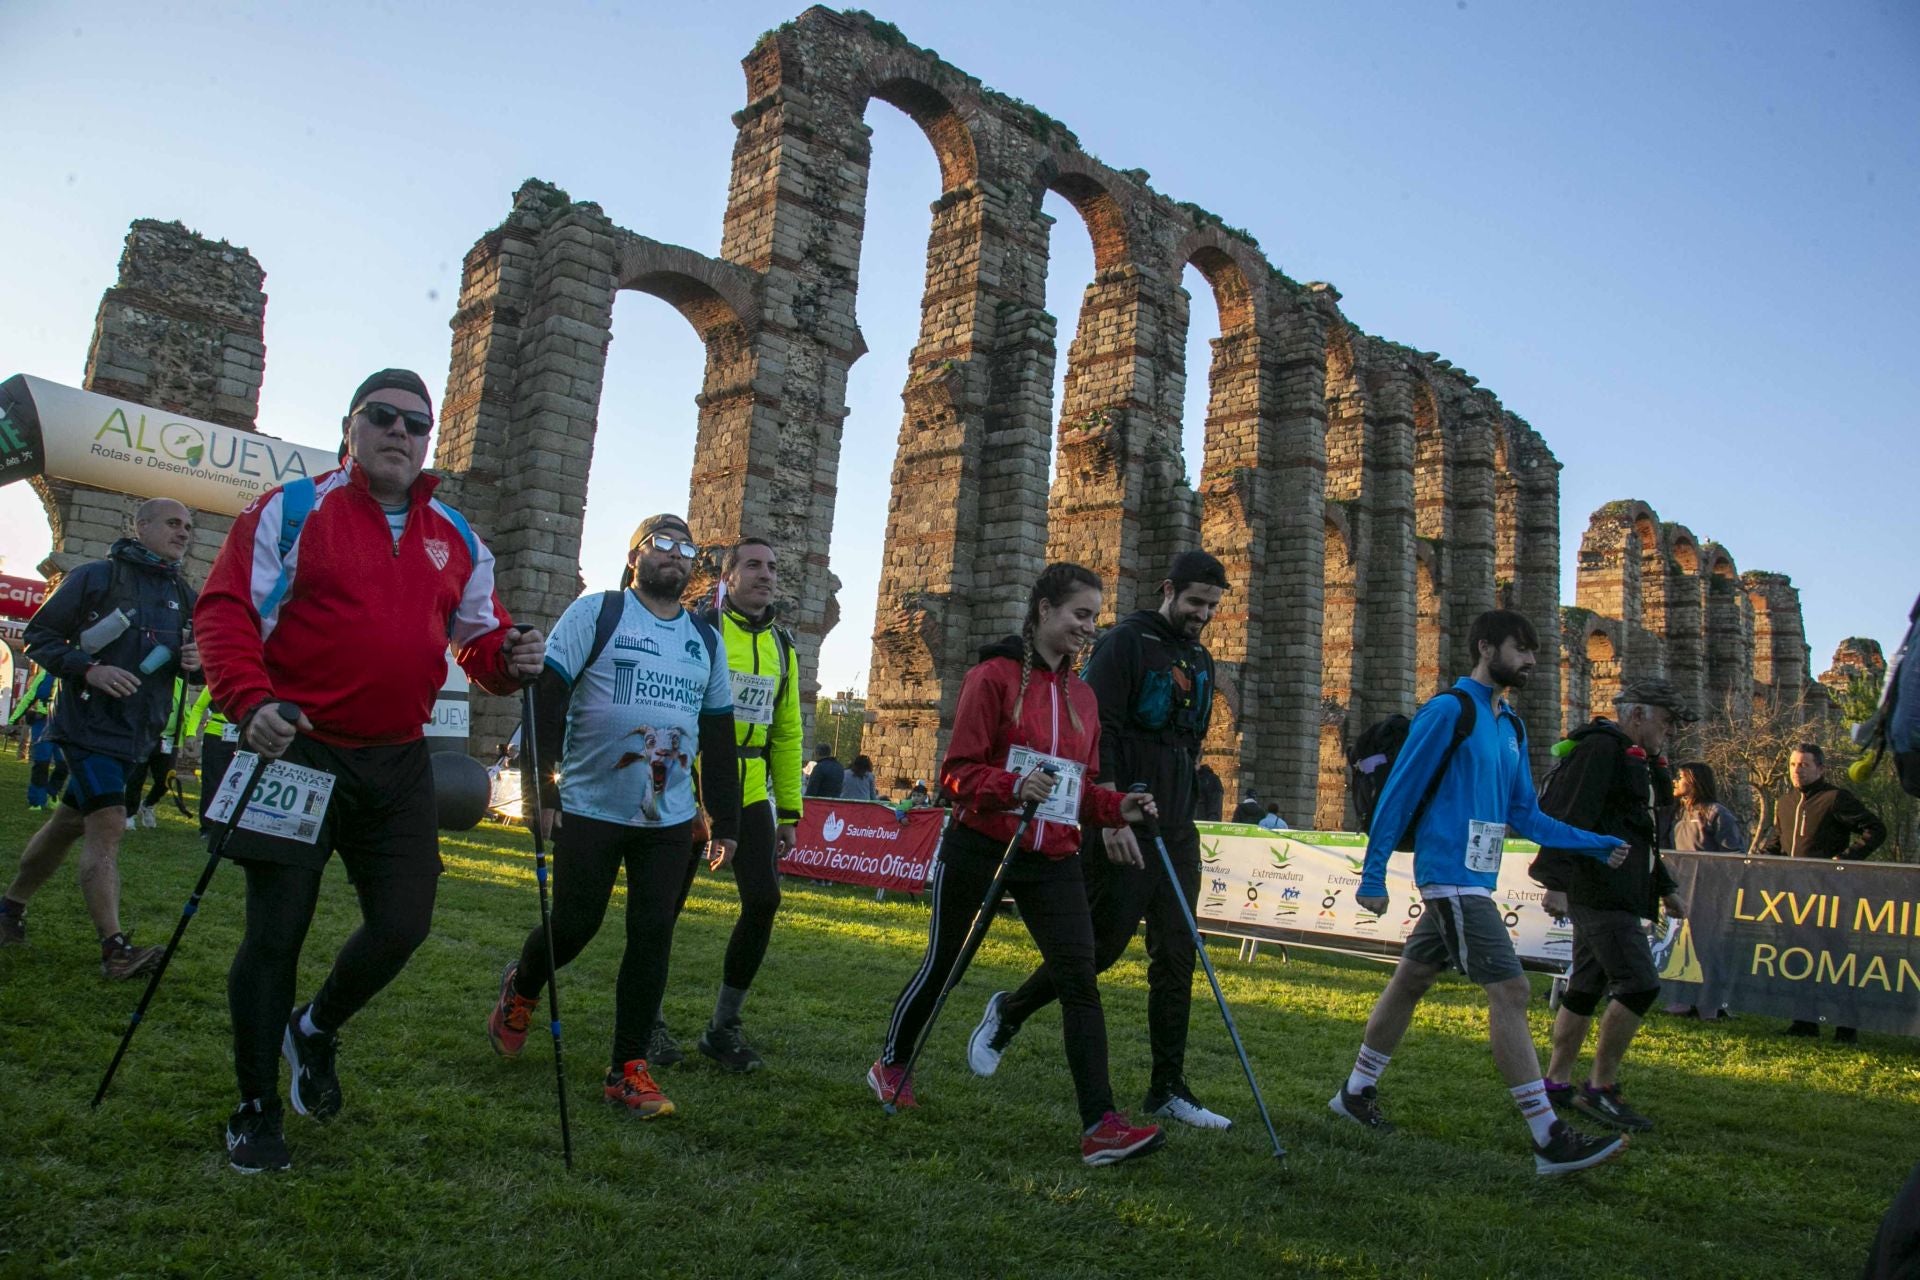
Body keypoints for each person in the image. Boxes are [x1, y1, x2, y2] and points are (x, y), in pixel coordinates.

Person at [196, 368, 545, 1173]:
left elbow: (479, 644)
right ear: (350, 426)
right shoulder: (291, 508)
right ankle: (253, 1106)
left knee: (405, 923)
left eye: (415, 425)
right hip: (298, 747)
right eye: (381, 417)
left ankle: (311, 1030)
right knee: (275, 931)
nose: (399, 432)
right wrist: (249, 703)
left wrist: (512, 657)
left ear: (428, 442)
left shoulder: (457, 536)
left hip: (397, 760)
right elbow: (224, 610)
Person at [868, 562, 1165, 1166]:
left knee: (1080, 978)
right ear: (1044, 610)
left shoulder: (1082, 695)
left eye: (1094, 617)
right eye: (1080, 614)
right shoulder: (993, 678)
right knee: (945, 964)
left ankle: (1100, 1123)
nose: (1089, 627)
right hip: (981, 842)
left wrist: (1118, 807)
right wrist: (1009, 786)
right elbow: (956, 772)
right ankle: (891, 1063)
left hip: (1052, 855)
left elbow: (1076, 793)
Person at [1329, 609, 1632, 1176]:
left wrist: (1594, 842)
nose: (1532, 661)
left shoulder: (1511, 726)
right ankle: (1547, 1137)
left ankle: (1354, 1091)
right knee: (1512, 991)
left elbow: (1526, 815)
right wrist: (1372, 875)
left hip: (1475, 877)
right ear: (1486, 646)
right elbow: (1397, 795)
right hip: (1449, 877)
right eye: (1521, 649)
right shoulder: (1448, 711)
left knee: (1412, 979)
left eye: (1535, 651)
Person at [485, 513, 740, 1119]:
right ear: (635, 559)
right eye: (662, 545)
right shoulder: (595, 613)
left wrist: (724, 820)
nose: (676, 556)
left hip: (668, 817)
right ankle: (522, 986)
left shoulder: (704, 639)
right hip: (589, 806)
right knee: (575, 924)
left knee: (652, 937)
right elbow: (546, 698)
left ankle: (628, 1068)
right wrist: (539, 795)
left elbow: (719, 732)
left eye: (687, 548)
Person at [972, 550, 1233, 1131]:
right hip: (1121, 817)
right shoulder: (1124, 644)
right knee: (1102, 949)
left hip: (1175, 822)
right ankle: (1011, 1011)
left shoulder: (1201, 656)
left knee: (1177, 951)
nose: (1203, 615)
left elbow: (1190, 742)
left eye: (1213, 606)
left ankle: (1168, 1086)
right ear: (1168, 590)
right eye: (1195, 603)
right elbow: (1098, 734)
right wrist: (1111, 819)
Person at [0, 498, 200, 972]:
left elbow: (192, 666)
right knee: (109, 824)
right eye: (173, 523)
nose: (183, 532)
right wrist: (89, 670)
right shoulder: (94, 576)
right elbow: (38, 637)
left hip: (140, 732)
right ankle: (115, 949)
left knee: (68, 824)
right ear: (141, 525)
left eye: (189, 526)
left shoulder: (184, 593)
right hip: (89, 726)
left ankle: (9, 909)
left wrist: (198, 665)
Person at [649, 536, 801, 1073]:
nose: (766, 574)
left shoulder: (783, 645)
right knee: (663, 908)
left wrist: (788, 812)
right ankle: (649, 1021)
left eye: (773, 567)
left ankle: (723, 1027)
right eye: (754, 565)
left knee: (764, 902)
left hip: (753, 786)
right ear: (728, 576)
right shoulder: (698, 629)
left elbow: (786, 732)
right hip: (690, 783)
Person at [1531, 678, 1695, 1133]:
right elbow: (1570, 814)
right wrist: (1555, 881)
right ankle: (1599, 1089)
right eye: (1665, 722)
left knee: (1585, 986)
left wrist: (1663, 886)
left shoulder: (1632, 757)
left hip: (1617, 887)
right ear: (1637, 714)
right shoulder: (1601, 748)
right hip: (1599, 889)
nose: (1669, 732)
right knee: (1639, 984)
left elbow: (1639, 831)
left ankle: (1555, 1082)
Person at [1760, 741, 1886, 1042]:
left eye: (1803, 765)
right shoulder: (1785, 802)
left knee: (1835, 961)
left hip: (1830, 896)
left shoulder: (1835, 798)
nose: (1796, 770)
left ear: (1820, 768)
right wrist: (1762, 860)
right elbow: (1778, 841)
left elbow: (1875, 829)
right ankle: (1804, 1022)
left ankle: (1846, 1027)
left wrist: (1847, 858)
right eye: (1792, 765)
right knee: (1800, 958)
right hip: (1794, 896)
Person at [121, 676, 187, 830]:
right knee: (137, 777)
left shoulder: (180, 682)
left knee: (166, 778)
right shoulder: (148, 680)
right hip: (146, 735)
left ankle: (148, 804)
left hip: (168, 739)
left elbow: (185, 711)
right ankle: (129, 813)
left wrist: (182, 739)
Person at [183, 684, 236, 837]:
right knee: (212, 782)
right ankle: (208, 827)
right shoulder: (215, 683)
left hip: (241, 736)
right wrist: (191, 733)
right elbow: (199, 707)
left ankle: (229, 826)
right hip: (216, 735)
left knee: (235, 784)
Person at [9, 665, 62, 809]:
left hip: (64, 725)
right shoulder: (45, 674)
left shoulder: (75, 675)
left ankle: (52, 792)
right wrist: (13, 720)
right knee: (42, 762)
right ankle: (37, 800)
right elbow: (30, 696)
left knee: (64, 764)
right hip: (43, 722)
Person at [1662, 761, 1744, 853]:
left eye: (1680, 777)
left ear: (1694, 780)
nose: (1674, 781)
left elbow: (1734, 854)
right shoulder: (1674, 812)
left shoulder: (1716, 813)